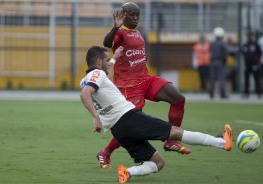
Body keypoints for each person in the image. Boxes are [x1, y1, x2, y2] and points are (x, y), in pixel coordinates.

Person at [80, 46, 233, 183]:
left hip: (118, 130)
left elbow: (94, 82)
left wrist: (114, 58)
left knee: (158, 163)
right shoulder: (98, 74)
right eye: (107, 60)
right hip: (129, 118)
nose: (109, 63)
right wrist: (96, 117)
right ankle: (222, 143)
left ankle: (128, 172)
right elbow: (85, 94)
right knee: (175, 132)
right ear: (99, 62)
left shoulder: (86, 79)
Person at [98, 2, 190, 168]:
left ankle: (170, 141)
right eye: (131, 15)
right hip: (128, 85)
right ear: (123, 15)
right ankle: (106, 152)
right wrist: (114, 27)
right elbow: (106, 43)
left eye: (137, 16)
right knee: (130, 124)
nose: (135, 19)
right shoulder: (119, 33)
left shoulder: (138, 32)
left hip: (145, 79)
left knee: (178, 98)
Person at [209, 27, 228, 99]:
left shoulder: (212, 44)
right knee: (221, 78)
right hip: (220, 61)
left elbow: (210, 52)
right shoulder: (223, 44)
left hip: (212, 61)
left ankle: (211, 94)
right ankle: (222, 94)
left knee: (212, 78)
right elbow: (225, 54)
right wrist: (224, 62)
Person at [242, 32, 262, 98]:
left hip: (255, 65)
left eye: (250, 36)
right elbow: (244, 55)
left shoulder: (256, 45)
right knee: (246, 80)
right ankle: (246, 93)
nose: (249, 37)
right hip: (247, 65)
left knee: (257, 79)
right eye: (248, 36)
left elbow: (259, 54)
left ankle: (259, 93)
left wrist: (257, 63)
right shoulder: (245, 45)